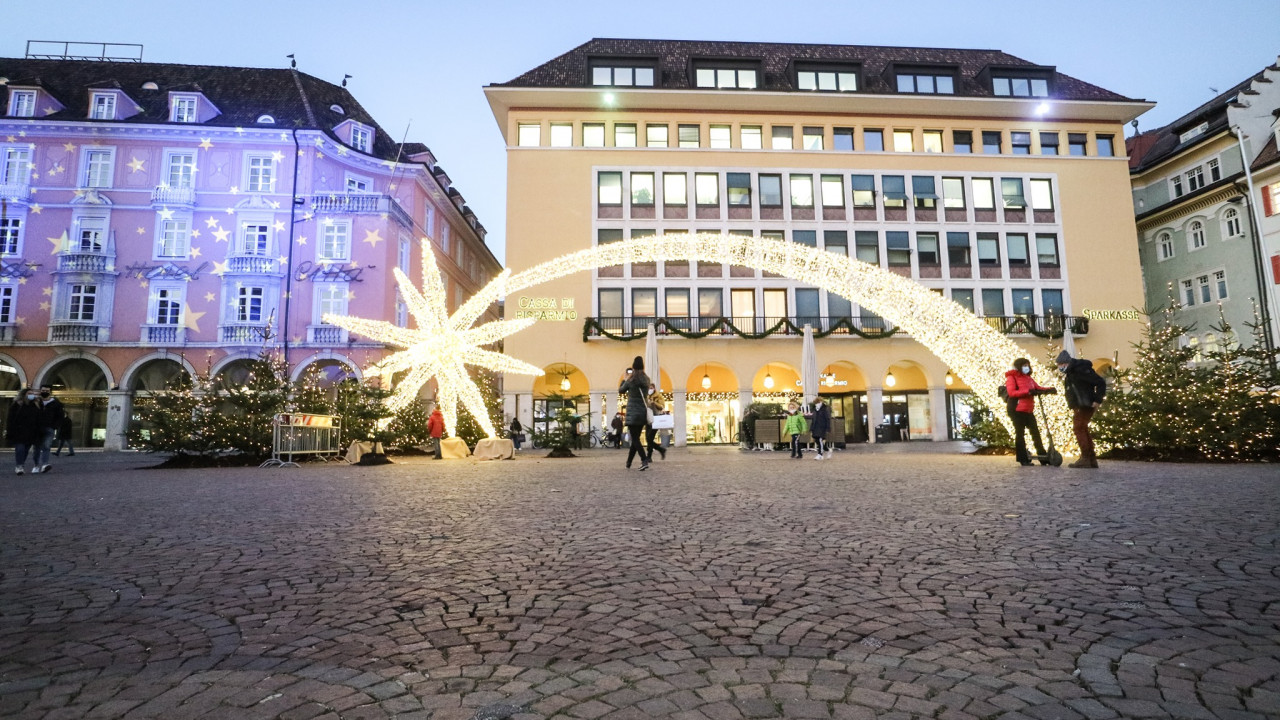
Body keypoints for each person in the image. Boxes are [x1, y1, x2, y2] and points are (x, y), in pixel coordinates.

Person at [1057, 350, 1107, 469]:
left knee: (1078, 428)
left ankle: (1085, 458)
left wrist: (1097, 399)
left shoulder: (1080, 370)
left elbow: (1100, 382)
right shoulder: (1072, 372)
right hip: (1080, 404)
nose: (1059, 367)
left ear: (1066, 363)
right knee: (1082, 428)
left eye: (1060, 365)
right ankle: (1090, 458)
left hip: (1084, 404)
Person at [1005, 358, 1054, 467]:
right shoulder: (1011, 378)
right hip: (1016, 409)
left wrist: (1048, 390)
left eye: (1027, 365)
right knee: (1020, 434)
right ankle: (1023, 458)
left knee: (1035, 433)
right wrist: (1028, 392)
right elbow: (1012, 392)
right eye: (1024, 365)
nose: (1027, 367)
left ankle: (1043, 457)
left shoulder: (1028, 378)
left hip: (1028, 409)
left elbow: (1037, 387)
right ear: (1019, 366)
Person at [618, 357, 651, 471]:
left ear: (633, 366)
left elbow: (621, 390)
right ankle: (628, 462)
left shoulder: (631, 380)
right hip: (642, 412)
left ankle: (644, 459)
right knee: (635, 438)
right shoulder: (646, 379)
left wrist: (624, 379)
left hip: (632, 412)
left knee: (635, 439)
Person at [8, 388, 45, 475]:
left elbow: (39, 418)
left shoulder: (35, 405)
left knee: (25, 450)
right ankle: (19, 466)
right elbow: (11, 418)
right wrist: (10, 430)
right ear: (24, 394)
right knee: (20, 449)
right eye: (29, 393)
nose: (31, 395)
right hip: (19, 431)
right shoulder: (17, 404)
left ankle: (21, 465)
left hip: (31, 432)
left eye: (32, 393)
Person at [35, 385, 64, 474]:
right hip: (36, 428)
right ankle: (36, 465)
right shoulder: (36, 402)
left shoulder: (56, 403)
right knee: (37, 447)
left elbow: (60, 416)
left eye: (47, 390)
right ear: (40, 391)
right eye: (43, 390)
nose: (45, 392)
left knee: (46, 446)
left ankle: (44, 464)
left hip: (49, 428)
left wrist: (54, 426)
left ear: (50, 392)